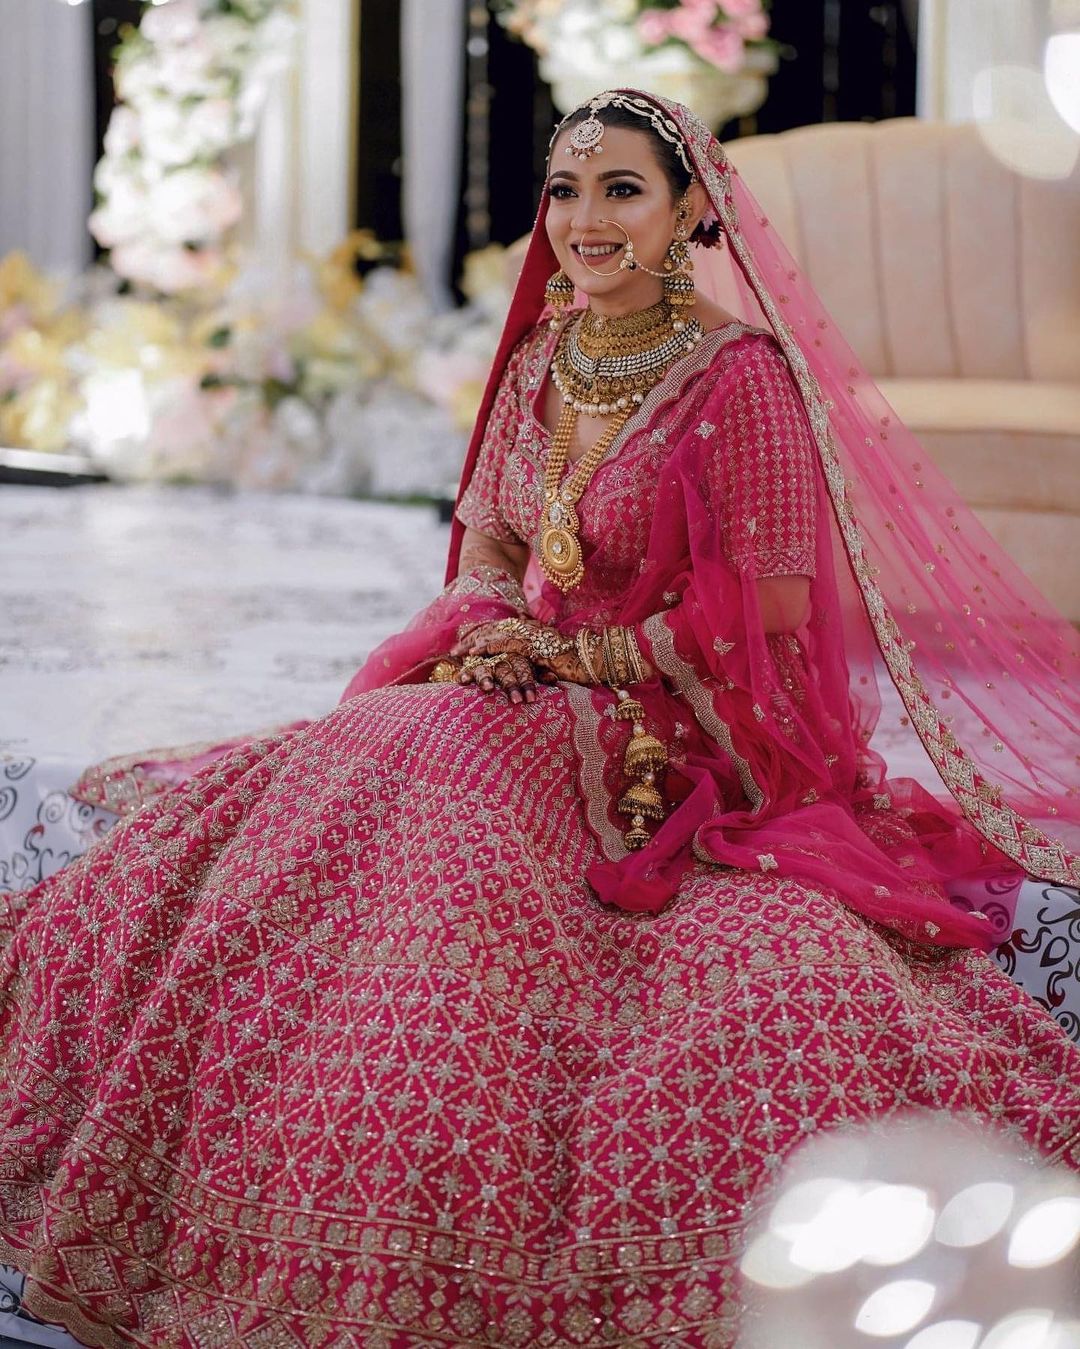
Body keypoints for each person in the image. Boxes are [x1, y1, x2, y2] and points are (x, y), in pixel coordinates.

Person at [1, 89, 1078, 1348]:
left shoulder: (740, 378)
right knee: (370, 749)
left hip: (674, 720)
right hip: (523, 679)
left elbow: (772, 600)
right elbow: (495, 536)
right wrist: (491, 619)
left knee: (432, 774)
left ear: (689, 209)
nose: (584, 218)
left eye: (621, 189)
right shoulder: (544, 355)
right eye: (565, 190)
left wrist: (582, 653)